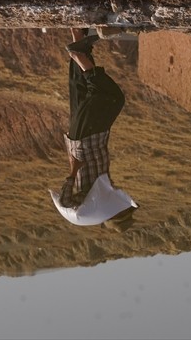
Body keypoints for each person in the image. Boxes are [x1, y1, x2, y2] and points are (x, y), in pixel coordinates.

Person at [50, 28, 137, 229]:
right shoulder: (102, 194)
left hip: (85, 139)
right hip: (91, 138)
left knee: (112, 99)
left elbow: (64, 202)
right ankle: (78, 36)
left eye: (122, 211)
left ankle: (78, 54)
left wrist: (73, 171)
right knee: (82, 89)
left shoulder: (86, 202)